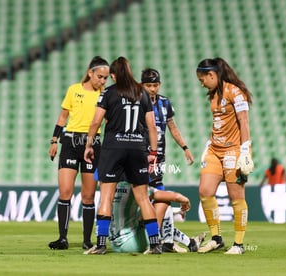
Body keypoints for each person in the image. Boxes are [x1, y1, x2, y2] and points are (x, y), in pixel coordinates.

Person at [83, 56, 161, 255]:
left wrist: (89, 145)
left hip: (113, 149)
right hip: (137, 148)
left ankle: (100, 245)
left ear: (114, 75)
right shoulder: (142, 93)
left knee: (106, 198)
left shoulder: (108, 93)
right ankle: (154, 245)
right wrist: (153, 152)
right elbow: (152, 126)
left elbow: (95, 122)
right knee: (143, 198)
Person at [48, 56, 110, 250]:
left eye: (105, 78)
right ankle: (62, 238)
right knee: (65, 192)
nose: (102, 81)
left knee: (88, 196)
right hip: (71, 142)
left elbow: (108, 121)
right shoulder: (74, 90)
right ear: (90, 73)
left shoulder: (105, 95)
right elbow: (62, 117)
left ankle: (87, 240)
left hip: (93, 143)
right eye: (100, 76)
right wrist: (54, 140)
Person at [196, 57, 254, 255]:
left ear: (212, 75)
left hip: (233, 150)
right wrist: (208, 144)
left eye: (202, 79)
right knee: (205, 191)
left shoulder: (236, 93)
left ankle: (238, 244)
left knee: (236, 197)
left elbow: (244, 122)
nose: (201, 83)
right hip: (215, 149)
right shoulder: (213, 94)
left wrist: (245, 150)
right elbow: (219, 122)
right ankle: (217, 239)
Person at [141, 68, 195, 253]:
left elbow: (172, 127)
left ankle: (165, 241)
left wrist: (185, 148)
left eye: (155, 85)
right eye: (148, 85)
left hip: (159, 159)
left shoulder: (164, 103)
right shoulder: (137, 103)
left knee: (159, 195)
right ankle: (167, 241)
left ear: (160, 85)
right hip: (141, 157)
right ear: (142, 85)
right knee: (154, 196)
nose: (152, 89)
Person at [109, 181, 206, 253]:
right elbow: (175, 197)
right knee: (162, 203)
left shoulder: (110, 185)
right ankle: (163, 242)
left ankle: (190, 242)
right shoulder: (135, 186)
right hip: (130, 244)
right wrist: (186, 200)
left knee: (145, 215)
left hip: (114, 244)